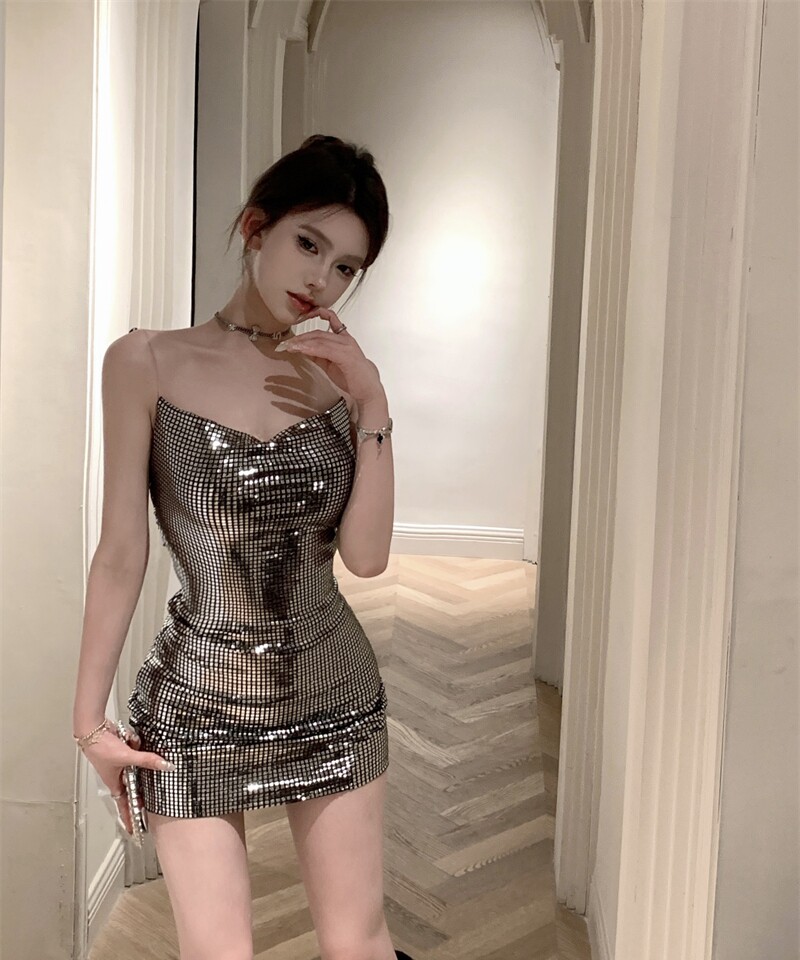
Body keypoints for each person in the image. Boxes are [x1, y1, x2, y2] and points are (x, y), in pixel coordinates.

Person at [72, 135, 415, 960]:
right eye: (308, 244)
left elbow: (366, 558)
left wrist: (372, 401)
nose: (321, 279)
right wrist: (89, 722)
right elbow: (122, 551)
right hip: (198, 701)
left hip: (333, 689)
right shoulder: (146, 361)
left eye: (346, 267)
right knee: (219, 950)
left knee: (357, 941)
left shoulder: (340, 381)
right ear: (257, 227)